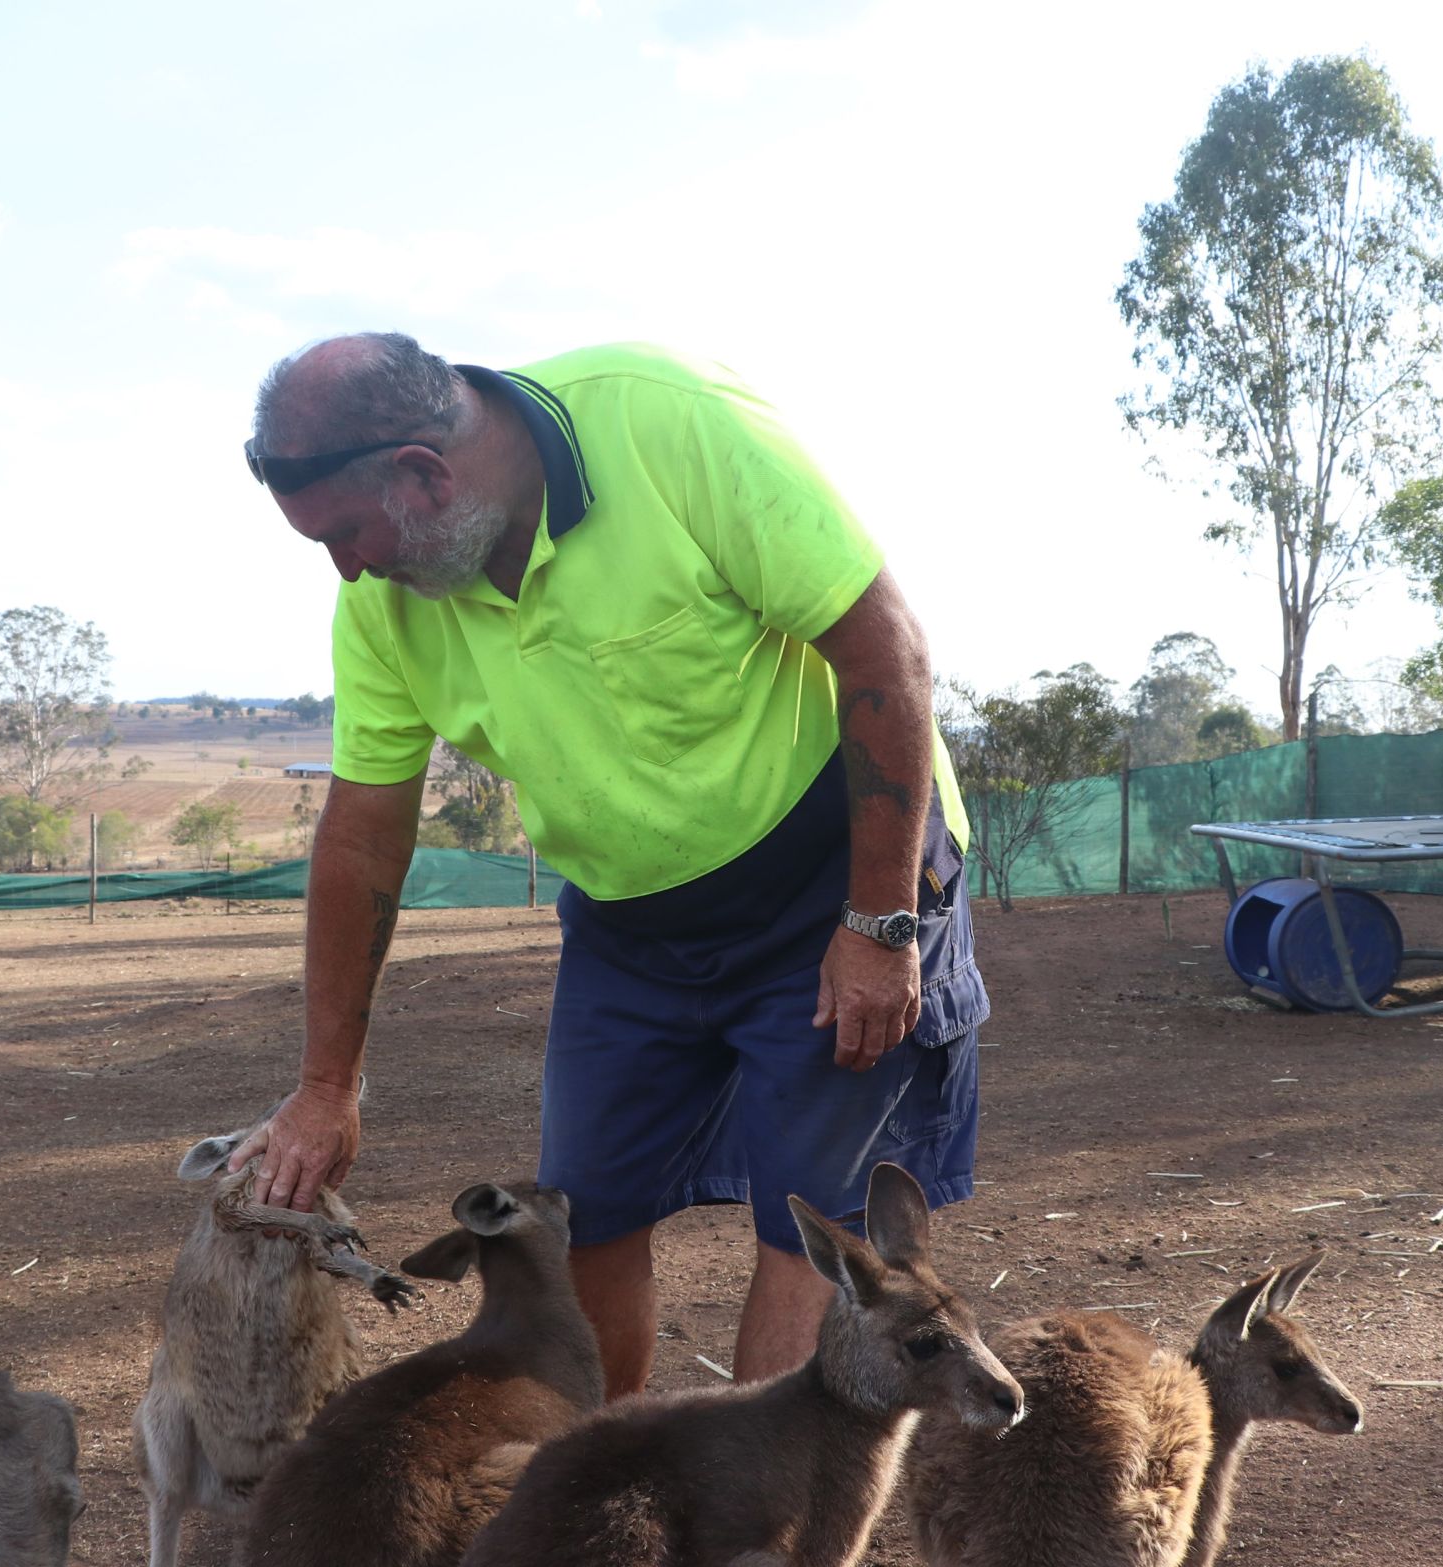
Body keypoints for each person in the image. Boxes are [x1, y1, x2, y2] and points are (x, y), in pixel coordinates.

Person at [229, 334, 988, 1397]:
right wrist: (325, 1083)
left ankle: (755, 1539)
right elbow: (362, 835)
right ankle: (597, 1499)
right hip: (632, 922)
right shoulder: (384, 606)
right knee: (577, 1217)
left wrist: (877, 922)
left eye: (347, 534)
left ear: (421, 471)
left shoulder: (669, 428)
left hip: (836, 875)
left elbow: (884, 653)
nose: (348, 568)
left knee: (814, 1225)